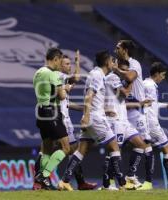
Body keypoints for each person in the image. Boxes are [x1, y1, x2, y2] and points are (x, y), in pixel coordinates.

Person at [58, 50, 126, 190]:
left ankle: (64, 181)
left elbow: (93, 97)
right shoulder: (97, 75)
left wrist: (102, 110)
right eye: (113, 61)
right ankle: (123, 184)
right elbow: (89, 96)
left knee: (81, 150)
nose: (114, 63)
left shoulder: (96, 74)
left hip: (93, 116)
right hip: (95, 118)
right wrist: (87, 116)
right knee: (114, 146)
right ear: (107, 62)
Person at [113, 40, 154, 190]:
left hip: (136, 112)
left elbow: (130, 77)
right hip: (123, 110)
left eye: (118, 47)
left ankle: (144, 180)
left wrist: (115, 69)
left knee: (143, 144)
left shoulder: (134, 63)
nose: (115, 49)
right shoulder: (118, 66)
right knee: (116, 146)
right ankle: (112, 181)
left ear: (125, 50)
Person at [103, 59, 147, 190]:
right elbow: (126, 93)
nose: (125, 73)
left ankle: (129, 176)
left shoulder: (121, 80)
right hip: (115, 120)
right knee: (116, 151)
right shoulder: (112, 77)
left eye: (126, 71)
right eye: (122, 69)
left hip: (123, 119)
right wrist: (131, 80)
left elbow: (123, 99)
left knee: (141, 144)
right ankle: (108, 183)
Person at [33, 47, 70, 190]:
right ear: (55, 59)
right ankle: (44, 175)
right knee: (66, 147)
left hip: (40, 111)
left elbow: (45, 91)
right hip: (51, 112)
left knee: (47, 148)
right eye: (60, 61)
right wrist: (65, 88)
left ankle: (42, 180)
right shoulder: (52, 74)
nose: (60, 64)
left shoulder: (38, 73)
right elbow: (61, 96)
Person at [143, 62, 168, 188]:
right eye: (163, 75)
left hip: (144, 123)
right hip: (151, 123)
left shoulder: (146, 83)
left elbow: (150, 104)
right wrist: (150, 124)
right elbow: (147, 107)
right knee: (167, 149)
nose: (163, 78)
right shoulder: (150, 86)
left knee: (144, 150)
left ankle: (146, 181)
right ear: (157, 74)